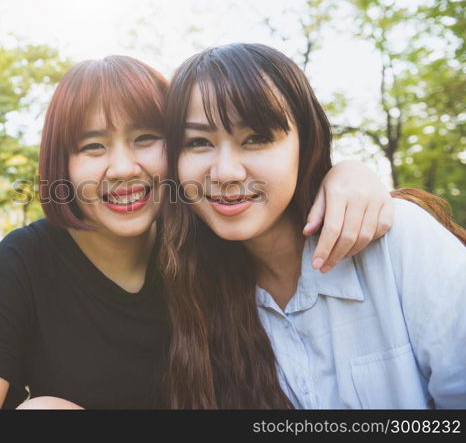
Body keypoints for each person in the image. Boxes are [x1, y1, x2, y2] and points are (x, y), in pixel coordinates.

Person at [0, 55, 395, 409]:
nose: (122, 168)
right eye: (92, 146)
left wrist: (348, 173)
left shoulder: (210, 239)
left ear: (178, 148)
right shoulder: (28, 260)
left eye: (144, 139)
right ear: (63, 163)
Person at [160, 43, 466, 408]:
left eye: (256, 138)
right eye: (198, 142)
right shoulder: (188, 288)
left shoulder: (396, 239)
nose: (225, 172)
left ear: (306, 143)